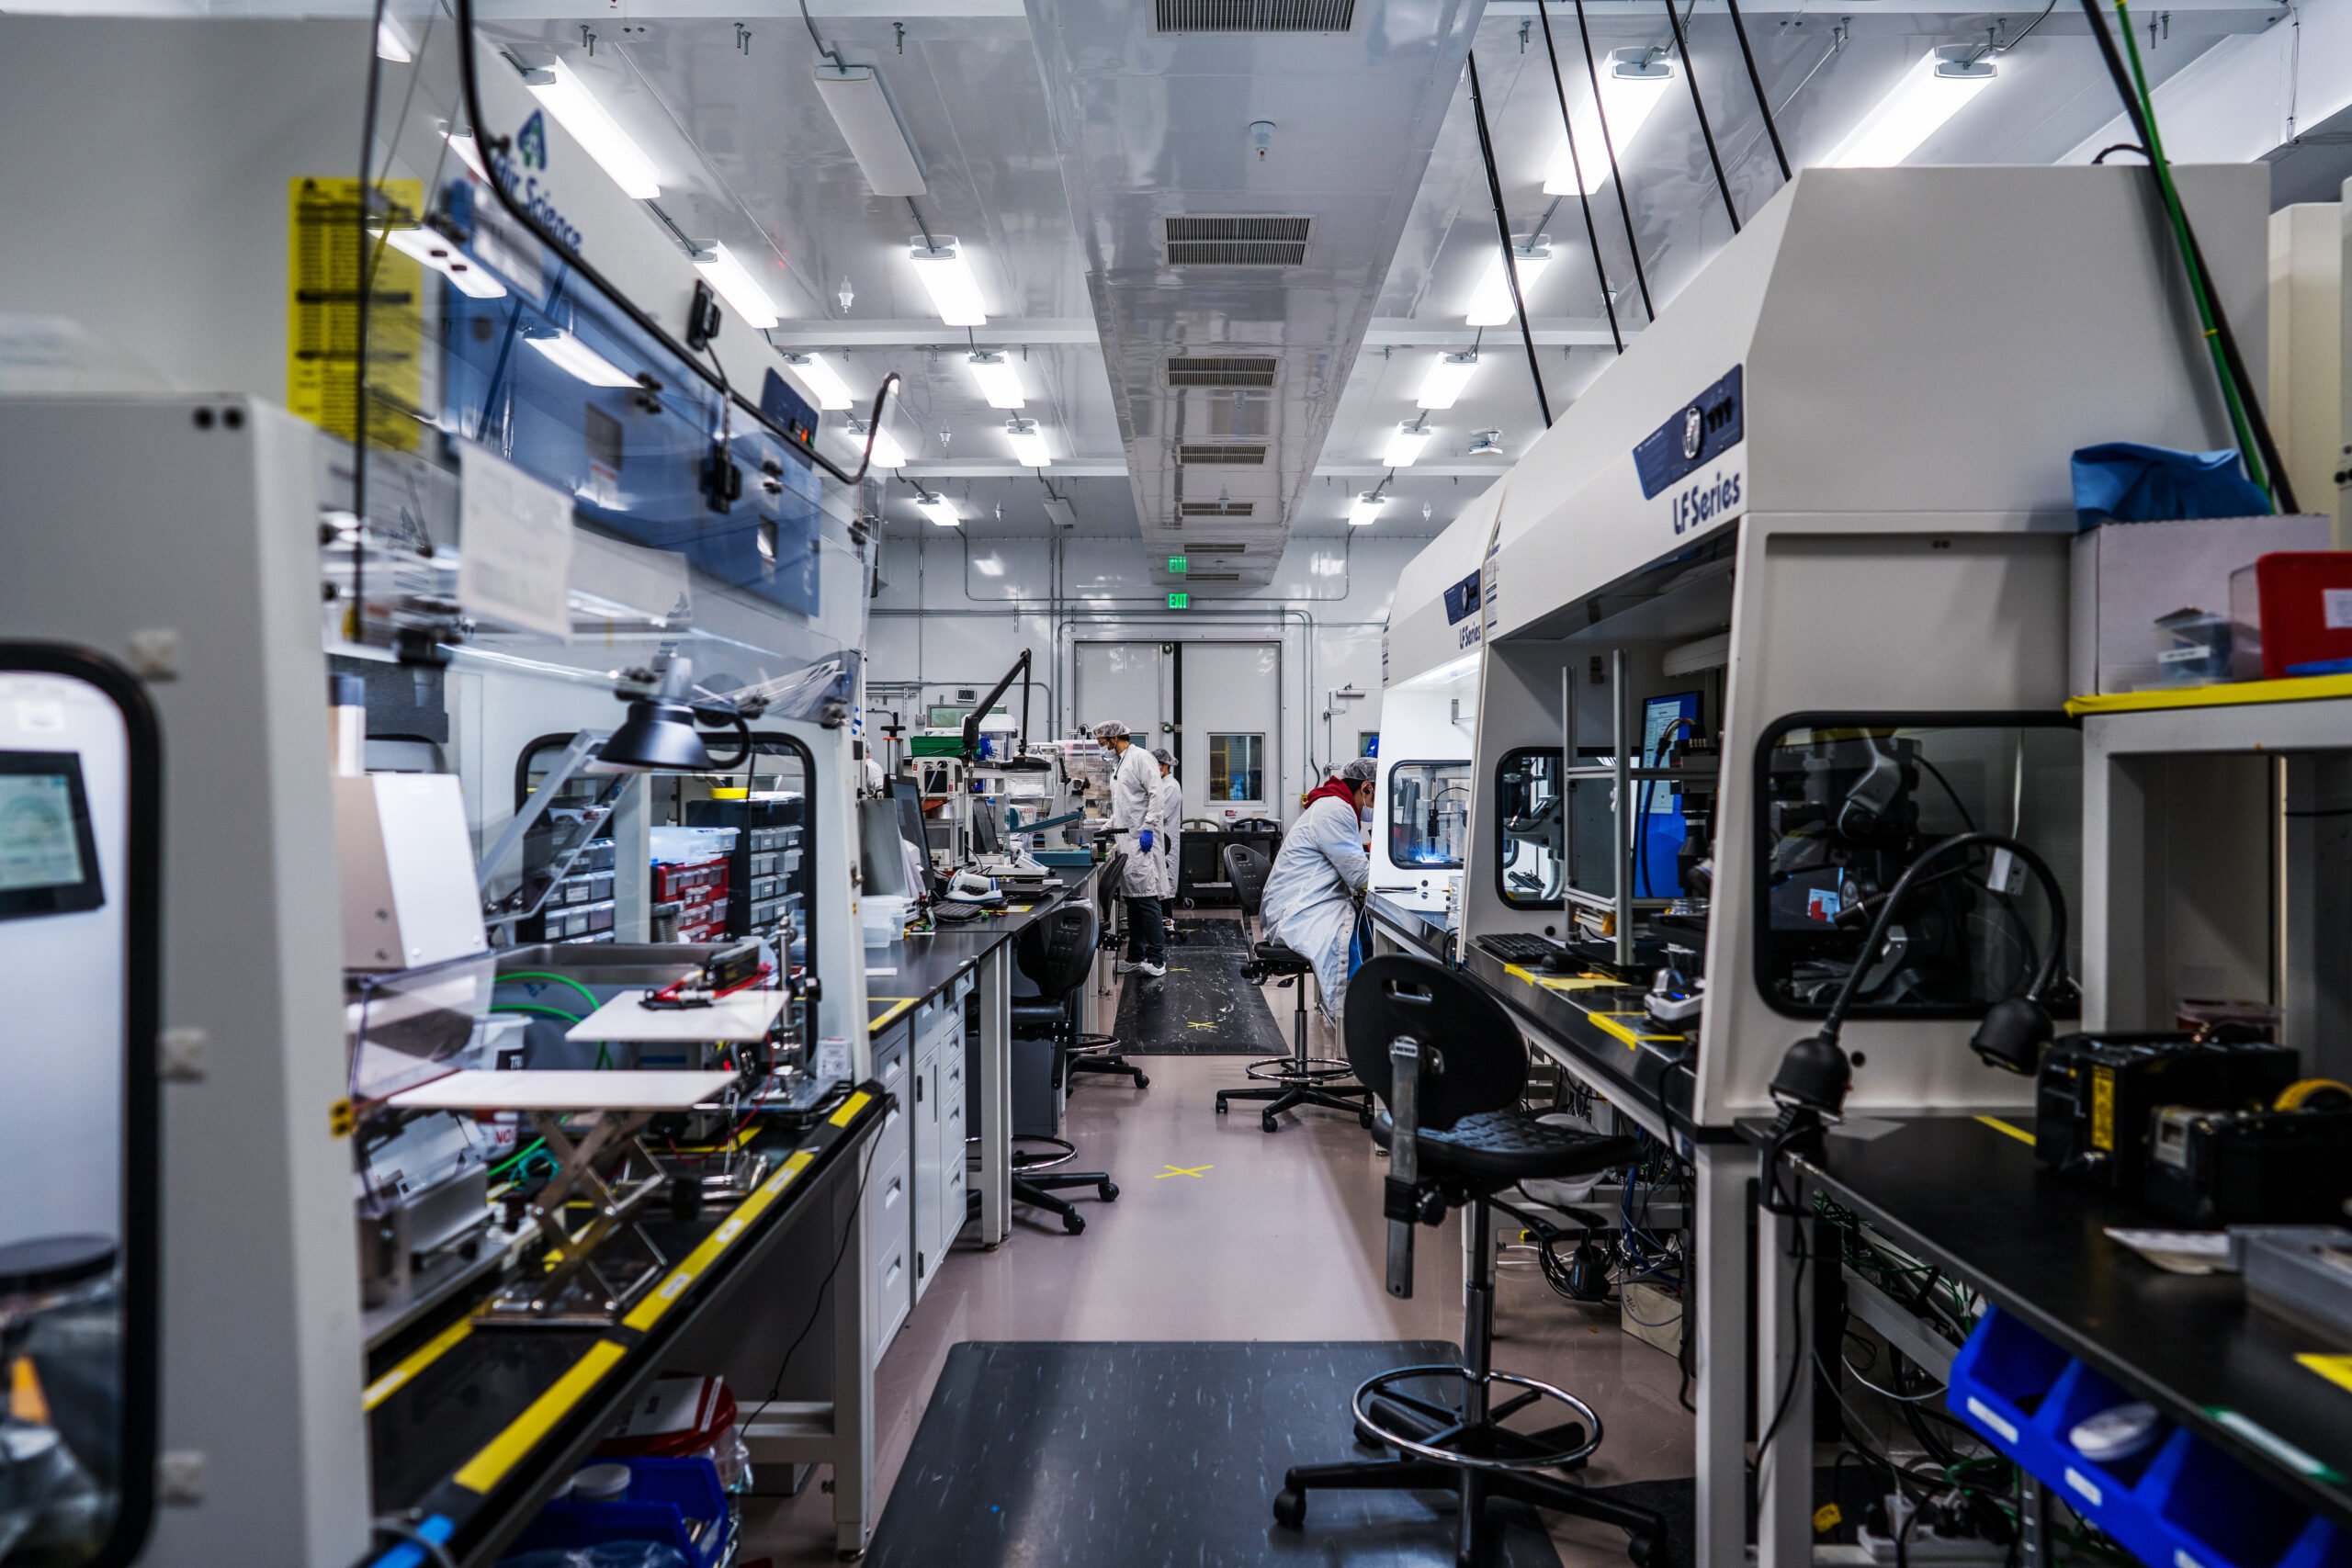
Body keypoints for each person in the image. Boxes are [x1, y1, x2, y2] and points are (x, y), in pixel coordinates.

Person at [1261, 756, 1377, 1020]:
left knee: (1360, 927)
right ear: (1366, 788)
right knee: (1353, 939)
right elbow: (1360, 877)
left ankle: (1360, 1016)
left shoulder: (1336, 805)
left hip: (1303, 900)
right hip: (1298, 910)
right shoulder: (1335, 810)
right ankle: (1354, 1025)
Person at [1093, 720, 1170, 977]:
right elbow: (1124, 805)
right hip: (1127, 839)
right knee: (1133, 902)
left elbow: (1156, 794)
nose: (1101, 747)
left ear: (1114, 738)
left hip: (1141, 839)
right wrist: (1106, 826)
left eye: (1102, 742)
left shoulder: (1140, 758)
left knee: (1147, 899)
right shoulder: (1120, 762)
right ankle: (1136, 956)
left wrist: (1149, 826)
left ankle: (1157, 959)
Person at [1150, 748, 1183, 908]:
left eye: (1155, 766)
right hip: (1160, 840)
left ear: (1164, 766)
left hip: (1166, 840)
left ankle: (1167, 922)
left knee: (1167, 880)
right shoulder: (1161, 785)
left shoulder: (1171, 787)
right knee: (1159, 882)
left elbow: (1161, 815)